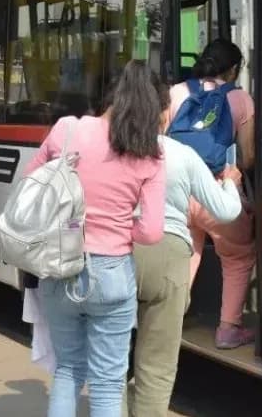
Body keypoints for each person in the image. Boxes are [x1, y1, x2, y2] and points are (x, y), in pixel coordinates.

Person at [24, 60, 166, 417]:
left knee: (68, 369)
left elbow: (32, 184)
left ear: (110, 94)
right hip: (112, 272)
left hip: (60, 264)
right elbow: (151, 232)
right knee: (107, 383)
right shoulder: (150, 152)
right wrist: (119, 227)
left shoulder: (67, 129)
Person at [126, 99, 244, 417]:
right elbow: (226, 210)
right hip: (167, 253)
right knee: (156, 364)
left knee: (109, 359)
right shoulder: (181, 154)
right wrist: (231, 184)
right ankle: (227, 325)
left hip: (115, 254)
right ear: (165, 114)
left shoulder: (115, 150)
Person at [169, 39, 256, 350]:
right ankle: (229, 328)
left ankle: (170, 318)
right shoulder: (240, 99)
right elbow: (247, 158)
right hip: (216, 189)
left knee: (186, 250)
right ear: (233, 69)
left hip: (179, 192)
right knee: (238, 255)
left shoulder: (178, 92)